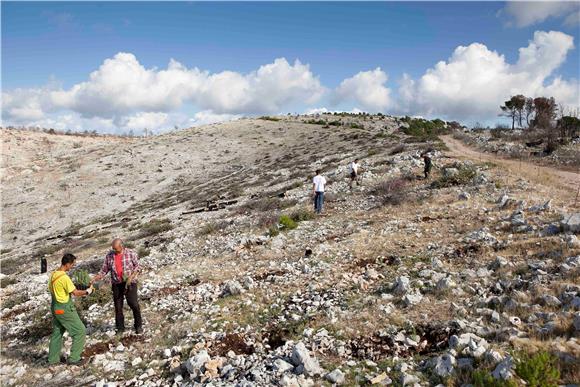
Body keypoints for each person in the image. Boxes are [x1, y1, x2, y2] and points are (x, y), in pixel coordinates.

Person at [48, 253, 93, 365]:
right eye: (72, 264)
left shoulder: (54, 274)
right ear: (67, 264)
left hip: (55, 307)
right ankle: (74, 358)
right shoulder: (64, 277)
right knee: (80, 331)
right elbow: (76, 293)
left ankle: (53, 360)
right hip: (64, 308)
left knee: (57, 333)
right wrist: (88, 291)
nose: (73, 266)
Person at [92, 239, 143, 334]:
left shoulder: (131, 253)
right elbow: (104, 270)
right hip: (116, 283)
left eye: (116, 249)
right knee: (118, 306)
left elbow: (138, 266)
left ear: (121, 246)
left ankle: (138, 325)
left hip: (129, 282)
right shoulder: (109, 256)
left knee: (133, 304)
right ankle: (120, 328)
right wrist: (97, 277)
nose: (114, 250)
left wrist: (131, 277)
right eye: (113, 249)